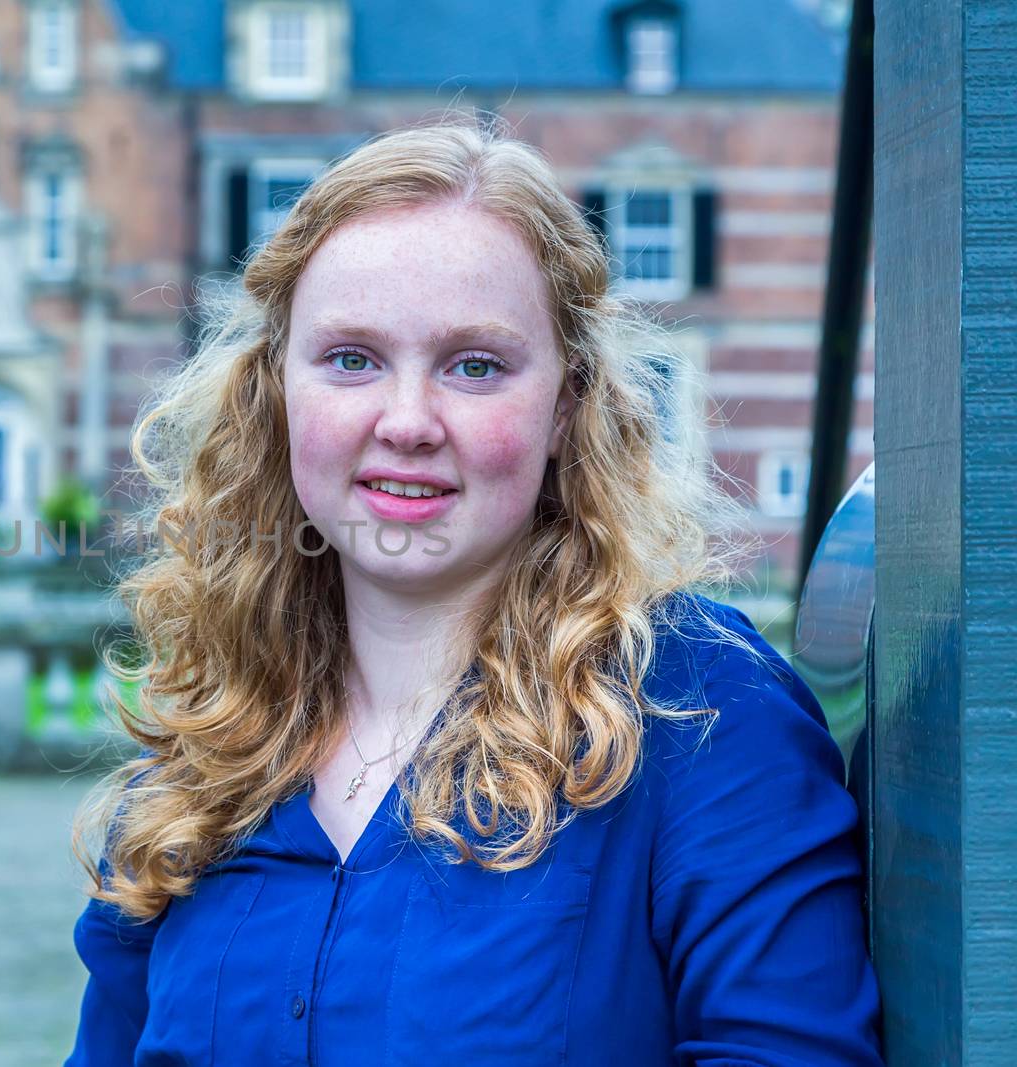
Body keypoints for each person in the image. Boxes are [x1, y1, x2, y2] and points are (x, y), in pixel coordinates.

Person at [63, 115, 883, 1065]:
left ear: (566, 407)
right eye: (352, 358)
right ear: (275, 391)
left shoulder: (700, 711)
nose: (407, 420)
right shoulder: (204, 752)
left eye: (475, 366)